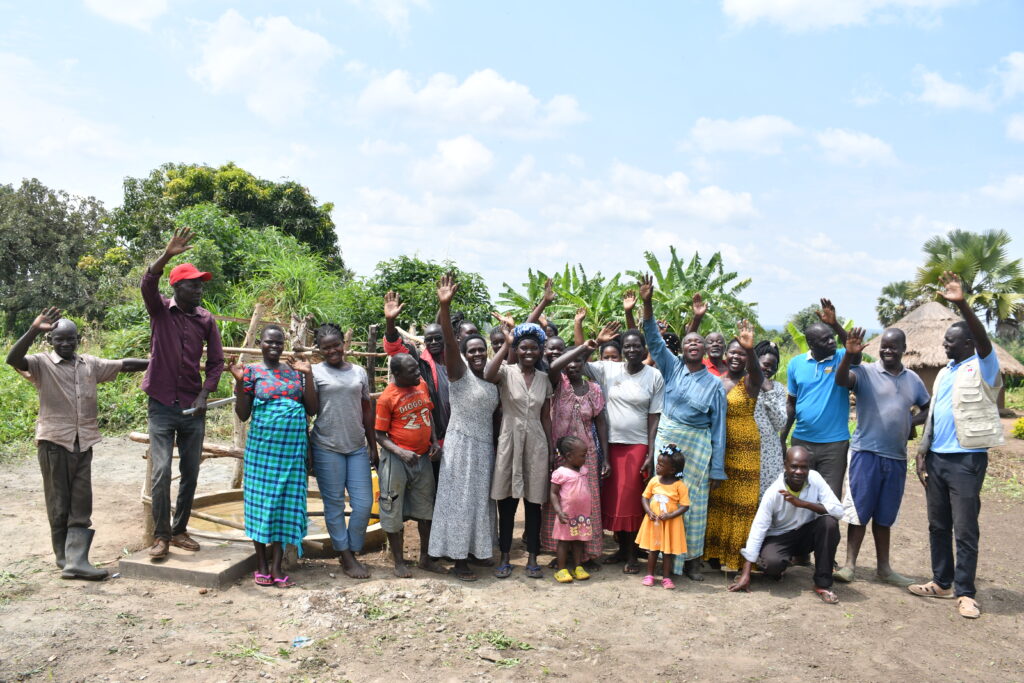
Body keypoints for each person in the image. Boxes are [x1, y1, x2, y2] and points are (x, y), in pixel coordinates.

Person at [6, 308, 148, 580]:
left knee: (82, 502)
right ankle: (64, 558)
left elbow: (123, 364)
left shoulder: (89, 364)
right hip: (54, 443)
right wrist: (34, 329)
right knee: (59, 502)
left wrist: (157, 361)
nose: (66, 343)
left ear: (78, 339)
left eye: (70, 339)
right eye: (60, 339)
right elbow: (13, 358)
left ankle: (77, 559)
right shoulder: (41, 364)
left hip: (84, 443)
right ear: (51, 341)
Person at [909, 272, 1003, 620]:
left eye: (950, 341)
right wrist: (922, 454)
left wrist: (961, 303)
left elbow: (985, 341)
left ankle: (965, 592)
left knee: (965, 528)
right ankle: (942, 581)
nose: (944, 345)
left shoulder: (983, 365)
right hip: (937, 459)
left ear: (968, 343)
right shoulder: (947, 372)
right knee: (938, 525)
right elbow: (933, 415)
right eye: (945, 340)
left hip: (967, 460)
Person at [141, 226, 225, 560]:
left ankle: (179, 530)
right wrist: (167, 255)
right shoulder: (160, 309)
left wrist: (205, 395)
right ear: (177, 286)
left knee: (191, 471)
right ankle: (161, 535)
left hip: (192, 406)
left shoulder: (206, 320)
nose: (200, 289)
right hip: (161, 403)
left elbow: (216, 362)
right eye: (194, 284)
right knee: (162, 472)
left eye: (202, 284)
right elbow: (148, 282)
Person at [638, 275, 726, 581]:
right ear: (682, 348)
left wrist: (717, 468)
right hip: (668, 438)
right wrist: (647, 302)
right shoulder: (671, 367)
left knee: (694, 503)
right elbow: (652, 338)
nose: (692, 345)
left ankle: (691, 561)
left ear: (704, 351)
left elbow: (719, 430)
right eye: (688, 342)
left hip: (698, 445)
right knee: (664, 498)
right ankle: (661, 560)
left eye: (697, 343)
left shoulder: (715, 384)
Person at [832, 327, 930, 587]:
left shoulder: (913, 379)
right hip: (865, 453)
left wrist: (912, 420)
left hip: (896, 457)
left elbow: (927, 408)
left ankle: (884, 568)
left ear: (903, 348)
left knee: (885, 514)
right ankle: (849, 565)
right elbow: (841, 381)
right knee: (858, 511)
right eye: (884, 346)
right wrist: (847, 356)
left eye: (893, 346)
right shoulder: (866, 372)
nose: (887, 350)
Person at [231, 326, 318, 588]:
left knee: (284, 506)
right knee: (260, 505)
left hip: (292, 452)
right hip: (262, 451)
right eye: (270, 342)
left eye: (279, 342)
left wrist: (309, 376)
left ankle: (277, 566)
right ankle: (261, 564)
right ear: (260, 343)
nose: (275, 346)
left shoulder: (294, 371)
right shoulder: (252, 373)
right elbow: (243, 414)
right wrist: (239, 383)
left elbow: (312, 409)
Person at [428, 274, 500, 581]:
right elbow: (447, 338)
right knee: (458, 501)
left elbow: (510, 345)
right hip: (460, 445)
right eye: (471, 351)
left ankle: (476, 550)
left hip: (484, 447)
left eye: (481, 350)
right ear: (462, 354)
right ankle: (458, 560)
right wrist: (445, 306)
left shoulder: (493, 380)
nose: (477, 354)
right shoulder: (458, 374)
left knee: (479, 501)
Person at [584, 328, 664, 574]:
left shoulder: (654, 376)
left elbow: (654, 416)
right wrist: (596, 341)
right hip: (610, 444)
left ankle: (632, 554)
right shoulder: (609, 369)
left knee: (630, 501)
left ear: (644, 349)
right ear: (621, 350)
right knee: (615, 500)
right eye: (627, 346)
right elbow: (581, 360)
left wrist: (651, 451)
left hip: (637, 445)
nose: (631, 350)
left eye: (636, 346)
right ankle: (621, 550)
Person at [728, 446, 844, 604]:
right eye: (794, 466)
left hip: (806, 535)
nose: (799, 471)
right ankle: (779, 566)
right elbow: (758, 528)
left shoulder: (815, 479)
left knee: (829, 523)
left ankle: (822, 584)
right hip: (780, 537)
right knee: (772, 565)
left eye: (804, 467)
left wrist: (803, 504)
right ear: (785, 465)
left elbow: (838, 511)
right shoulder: (774, 492)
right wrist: (745, 573)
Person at [484, 322, 554, 579]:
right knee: (507, 502)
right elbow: (488, 374)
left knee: (534, 503)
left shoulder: (545, 379)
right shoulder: (505, 371)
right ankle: (504, 557)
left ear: (540, 351)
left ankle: (533, 558)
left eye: (533, 348)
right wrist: (506, 343)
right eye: (523, 347)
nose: (528, 352)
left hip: (536, 444)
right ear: (517, 348)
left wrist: (550, 448)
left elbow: (546, 417)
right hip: (509, 440)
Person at [309, 322, 376, 580]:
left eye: (336, 345)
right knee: (334, 504)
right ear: (320, 349)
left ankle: (351, 548)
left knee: (363, 503)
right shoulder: (314, 372)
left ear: (344, 344)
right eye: (327, 348)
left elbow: (367, 410)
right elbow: (311, 410)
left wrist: (372, 445)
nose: (333, 351)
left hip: (357, 446)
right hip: (326, 446)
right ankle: (346, 556)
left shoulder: (358, 372)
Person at [375, 353, 445, 578]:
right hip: (397, 460)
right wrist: (401, 452)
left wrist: (433, 440)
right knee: (392, 508)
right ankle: (399, 562)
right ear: (397, 375)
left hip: (422, 457)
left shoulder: (421, 385)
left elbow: (428, 414)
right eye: (412, 371)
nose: (418, 373)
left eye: (417, 369)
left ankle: (425, 559)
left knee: (426, 509)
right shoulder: (387, 397)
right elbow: (379, 434)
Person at [703, 321, 765, 573]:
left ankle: (739, 558)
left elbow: (759, 375)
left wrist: (751, 350)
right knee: (717, 501)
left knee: (742, 504)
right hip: (720, 448)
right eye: (734, 352)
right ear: (726, 356)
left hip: (745, 449)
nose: (737, 357)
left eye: (742, 353)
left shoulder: (751, 381)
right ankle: (714, 556)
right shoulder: (716, 380)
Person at [545, 339, 608, 567]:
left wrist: (606, 458)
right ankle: (562, 552)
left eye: (577, 361)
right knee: (561, 503)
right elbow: (552, 367)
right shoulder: (558, 384)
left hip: (587, 455)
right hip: (561, 455)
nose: (572, 365)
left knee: (585, 503)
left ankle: (585, 553)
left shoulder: (594, 389)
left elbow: (601, 423)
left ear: (584, 364)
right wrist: (581, 348)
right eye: (569, 361)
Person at [780, 298, 850, 498]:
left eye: (832, 337)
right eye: (825, 339)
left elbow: (856, 354)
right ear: (811, 344)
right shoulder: (796, 364)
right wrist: (783, 437)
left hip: (834, 445)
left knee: (829, 497)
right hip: (802, 441)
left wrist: (835, 324)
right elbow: (791, 403)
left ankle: (826, 530)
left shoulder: (841, 357)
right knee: (798, 494)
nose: (832, 342)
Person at [383, 291, 450, 490]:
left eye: (438, 338)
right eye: (429, 340)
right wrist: (390, 322)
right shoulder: (418, 361)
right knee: (433, 490)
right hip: (433, 438)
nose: (434, 343)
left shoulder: (456, 362)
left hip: (456, 435)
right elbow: (394, 346)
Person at [636, 444, 690, 590]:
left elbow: (685, 506)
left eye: (661, 464)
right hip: (654, 523)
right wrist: (648, 511)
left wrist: (671, 515)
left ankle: (666, 578)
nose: (658, 467)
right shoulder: (654, 480)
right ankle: (649, 575)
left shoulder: (680, 486)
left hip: (670, 523)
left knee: (667, 552)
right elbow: (644, 497)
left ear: (672, 470)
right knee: (653, 550)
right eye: (658, 463)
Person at [549, 436, 595, 583]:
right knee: (564, 541)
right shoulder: (561, 473)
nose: (585, 458)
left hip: (582, 515)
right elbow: (553, 493)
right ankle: (561, 569)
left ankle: (578, 566)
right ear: (569, 456)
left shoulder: (583, 470)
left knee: (579, 541)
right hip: (566, 515)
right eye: (582, 455)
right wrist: (558, 511)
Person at [753, 340, 787, 497]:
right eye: (766, 364)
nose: (769, 370)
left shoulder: (778, 388)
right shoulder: (741, 383)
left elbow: (780, 423)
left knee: (766, 498)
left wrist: (768, 391)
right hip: (743, 449)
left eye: (773, 367)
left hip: (769, 454)